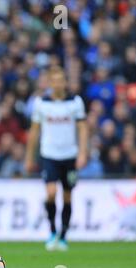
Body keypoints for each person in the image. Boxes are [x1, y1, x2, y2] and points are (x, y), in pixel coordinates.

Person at [25, 66, 88, 251]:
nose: (58, 83)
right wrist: (29, 157)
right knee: (51, 193)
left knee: (67, 196)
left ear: (65, 82)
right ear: (50, 83)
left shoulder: (75, 102)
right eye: (55, 80)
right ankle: (52, 231)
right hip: (49, 155)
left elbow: (83, 129)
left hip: (69, 156)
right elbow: (34, 131)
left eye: (61, 80)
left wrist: (83, 153)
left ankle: (63, 236)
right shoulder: (41, 103)